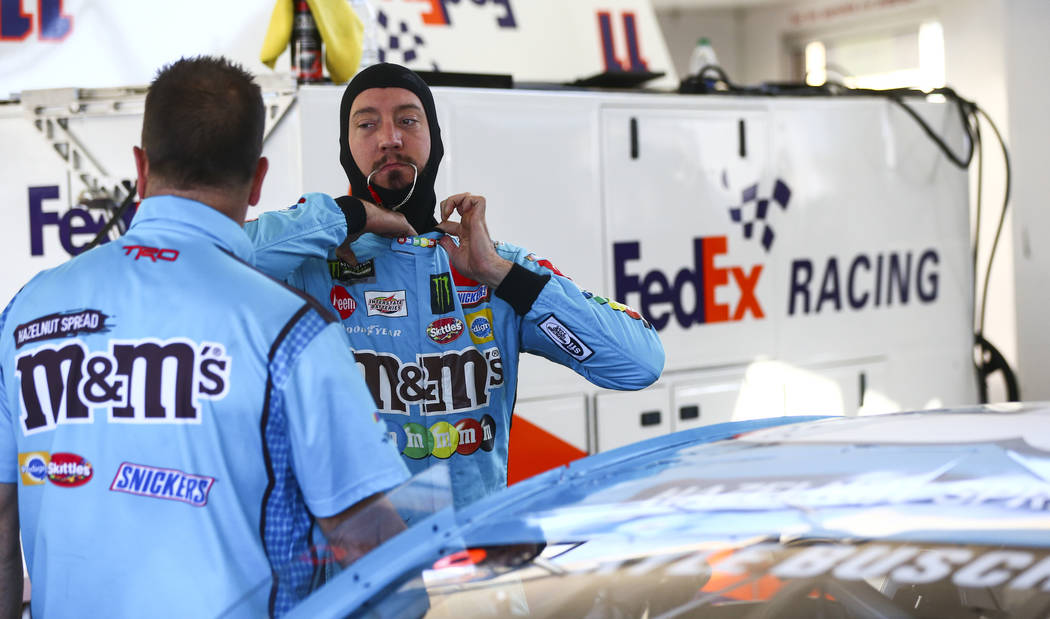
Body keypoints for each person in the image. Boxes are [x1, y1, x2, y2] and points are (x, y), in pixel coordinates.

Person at [0, 56, 410, 618]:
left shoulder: (27, 311)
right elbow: (377, 550)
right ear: (259, 178)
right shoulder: (293, 329)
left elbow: (2, 516)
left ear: (140, 168)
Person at [245, 63, 665, 508]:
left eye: (408, 120)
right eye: (367, 124)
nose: (390, 138)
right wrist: (347, 216)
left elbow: (638, 364)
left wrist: (498, 274)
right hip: (360, 567)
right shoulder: (312, 261)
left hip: (474, 566)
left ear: (436, 140)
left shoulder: (496, 268)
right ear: (346, 148)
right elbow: (205, 254)